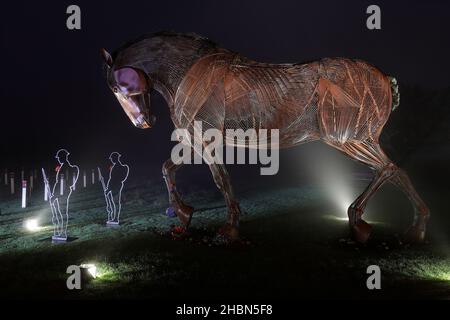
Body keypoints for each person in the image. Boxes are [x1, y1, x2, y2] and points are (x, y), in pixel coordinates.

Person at [50, 149, 79, 239]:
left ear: (63, 157)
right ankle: (60, 232)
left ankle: (62, 232)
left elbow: (64, 184)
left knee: (62, 212)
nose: (58, 159)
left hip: (62, 193)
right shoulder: (62, 167)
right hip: (58, 192)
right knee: (58, 213)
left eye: (59, 158)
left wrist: (56, 195)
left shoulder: (67, 167)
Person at [104, 152, 129, 223]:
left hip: (115, 187)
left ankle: (115, 218)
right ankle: (114, 218)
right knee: (115, 203)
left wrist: (108, 189)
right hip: (115, 186)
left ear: (115, 158)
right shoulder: (116, 167)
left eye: (112, 158)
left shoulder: (118, 167)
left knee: (116, 203)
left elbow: (113, 179)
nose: (111, 160)